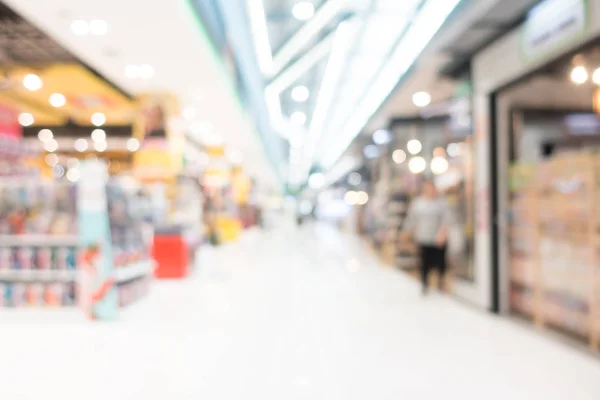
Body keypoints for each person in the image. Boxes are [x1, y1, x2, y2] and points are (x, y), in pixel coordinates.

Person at [402, 180, 453, 295]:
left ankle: (441, 283)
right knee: (425, 262)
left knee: (440, 262)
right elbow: (412, 219)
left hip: (438, 238)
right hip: (424, 237)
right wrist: (405, 232)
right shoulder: (418, 203)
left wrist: (442, 234)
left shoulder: (441, 203)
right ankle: (424, 284)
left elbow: (447, 219)